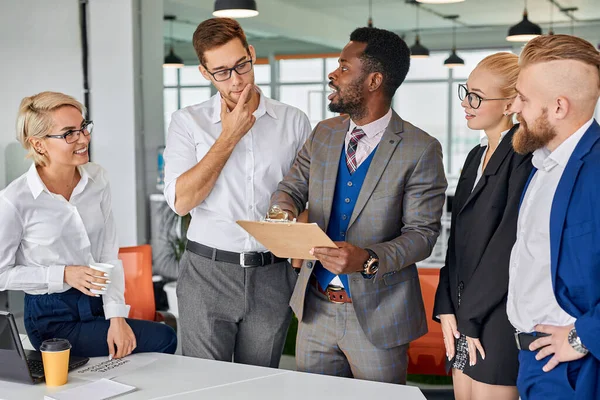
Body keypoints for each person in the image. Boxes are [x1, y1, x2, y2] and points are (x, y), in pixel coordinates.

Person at [269, 27, 447, 384]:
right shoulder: (324, 133)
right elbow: (289, 189)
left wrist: (366, 259)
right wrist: (282, 214)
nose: (332, 74)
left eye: (344, 67)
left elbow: (422, 235)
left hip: (378, 317)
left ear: (374, 80)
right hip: (315, 310)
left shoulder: (420, 148)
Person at [163, 17, 311, 367]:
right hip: (206, 273)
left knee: (258, 384)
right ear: (205, 73)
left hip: (272, 274)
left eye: (241, 65)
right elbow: (182, 202)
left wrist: (297, 251)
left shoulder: (293, 121)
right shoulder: (187, 122)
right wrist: (229, 135)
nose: (236, 80)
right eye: (222, 72)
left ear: (252, 54)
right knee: (203, 384)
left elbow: (311, 196)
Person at [0, 91, 177, 358]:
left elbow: (108, 254)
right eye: (69, 133)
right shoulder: (15, 199)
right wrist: (63, 274)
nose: (83, 138)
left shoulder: (97, 179)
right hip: (51, 317)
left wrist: (117, 318)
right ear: (38, 145)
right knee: (161, 339)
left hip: (97, 302)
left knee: (155, 341)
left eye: (84, 127)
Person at [433, 52, 533, 400]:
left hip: (497, 316)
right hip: (464, 313)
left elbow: (507, 245)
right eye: (466, 91)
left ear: (510, 103)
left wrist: (469, 318)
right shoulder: (475, 155)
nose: (466, 102)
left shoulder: (524, 156)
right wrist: (447, 306)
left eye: (476, 96)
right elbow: (457, 242)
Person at [506, 34, 600, 400]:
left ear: (559, 107)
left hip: (576, 368)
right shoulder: (542, 165)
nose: (514, 107)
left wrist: (583, 338)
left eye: (524, 99)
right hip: (534, 359)